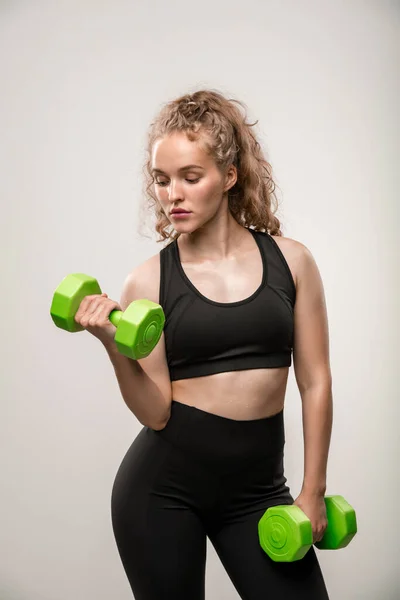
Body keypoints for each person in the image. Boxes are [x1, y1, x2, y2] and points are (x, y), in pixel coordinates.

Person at [74, 89, 332, 599]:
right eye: (162, 180)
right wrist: (111, 344)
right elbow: (155, 412)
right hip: (162, 490)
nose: (173, 194)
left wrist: (313, 490)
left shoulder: (292, 262)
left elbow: (315, 379)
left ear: (229, 176)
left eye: (191, 178)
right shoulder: (147, 282)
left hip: (260, 491)